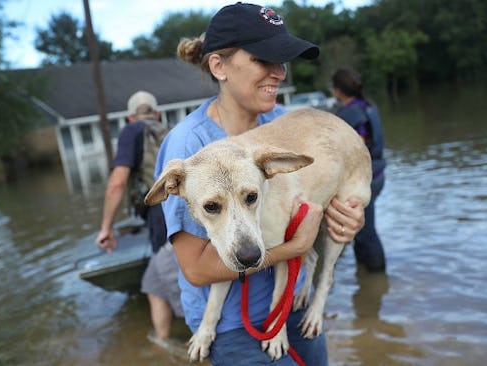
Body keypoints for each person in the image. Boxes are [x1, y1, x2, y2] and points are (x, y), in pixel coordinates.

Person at [154, 3, 366, 365]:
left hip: (295, 302)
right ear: (219, 66)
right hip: (233, 327)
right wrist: (295, 246)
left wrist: (349, 219)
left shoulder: (289, 123)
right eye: (263, 60)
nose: (279, 73)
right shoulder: (188, 146)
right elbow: (196, 268)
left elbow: (323, 186)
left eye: (282, 61)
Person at [96, 90, 183, 344]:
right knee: (153, 285)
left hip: (163, 219)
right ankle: (162, 343)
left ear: (130, 118)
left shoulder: (131, 131)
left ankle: (209, 346)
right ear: (156, 113)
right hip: (180, 214)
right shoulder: (170, 129)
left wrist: (106, 228)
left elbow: (117, 183)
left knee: (183, 290)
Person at [331, 68, 387, 272]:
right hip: (378, 174)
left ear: (337, 90)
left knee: (364, 230)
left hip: (366, 179)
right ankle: (367, 279)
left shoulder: (351, 113)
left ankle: (376, 273)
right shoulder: (369, 106)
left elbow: (359, 145)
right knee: (361, 227)